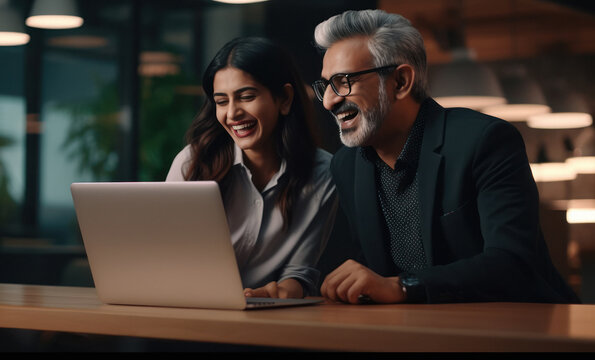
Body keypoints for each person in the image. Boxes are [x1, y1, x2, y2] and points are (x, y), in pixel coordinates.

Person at [312, 9, 580, 304]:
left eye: (344, 82)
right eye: (326, 85)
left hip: (523, 330)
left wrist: (403, 286)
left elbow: (511, 261)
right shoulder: (345, 165)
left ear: (401, 81)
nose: (328, 101)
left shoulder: (485, 141)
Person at [166, 37, 338, 299]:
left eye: (246, 97)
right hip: (188, 309)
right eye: (221, 101)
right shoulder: (192, 163)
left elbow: (300, 273)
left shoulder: (323, 173)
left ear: (285, 99)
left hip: (267, 323)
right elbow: (164, 257)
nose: (232, 113)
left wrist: (277, 292)